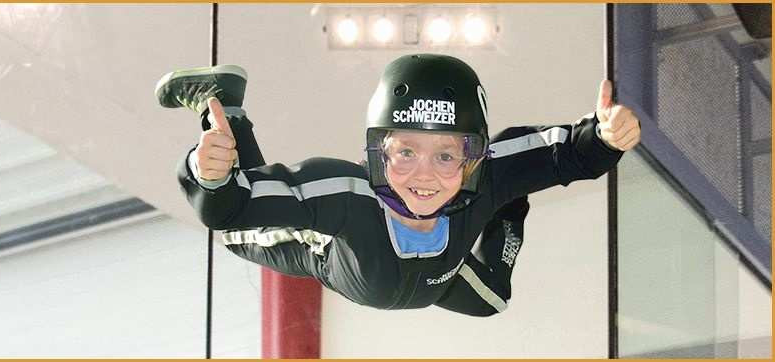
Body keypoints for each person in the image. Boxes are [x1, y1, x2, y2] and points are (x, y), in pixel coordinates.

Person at [158, 54, 640, 316]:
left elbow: (563, 154)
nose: (424, 175)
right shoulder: (345, 196)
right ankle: (224, 105)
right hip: (337, 256)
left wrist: (602, 137)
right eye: (405, 153)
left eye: (446, 156)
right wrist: (213, 176)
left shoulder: (488, 173)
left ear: (473, 158)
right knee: (237, 237)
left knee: (492, 300)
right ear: (377, 152)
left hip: (438, 279)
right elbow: (234, 210)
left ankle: (504, 206)